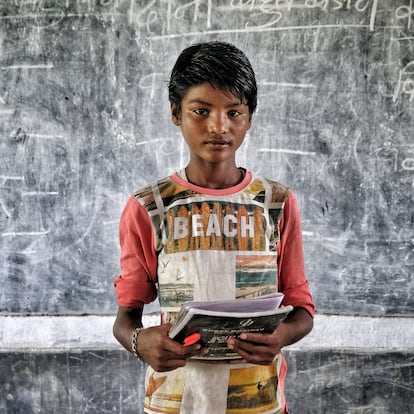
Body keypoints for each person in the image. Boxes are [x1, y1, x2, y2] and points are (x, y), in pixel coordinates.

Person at [113, 41, 314, 414]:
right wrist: (141, 342)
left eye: (233, 112)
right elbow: (126, 318)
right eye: (201, 111)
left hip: (259, 404)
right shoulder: (150, 207)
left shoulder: (276, 204)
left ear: (250, 117)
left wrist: (282, 335)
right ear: (176, 112)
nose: (218, 126)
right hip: (175, 404)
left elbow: (301, 309)